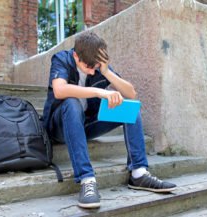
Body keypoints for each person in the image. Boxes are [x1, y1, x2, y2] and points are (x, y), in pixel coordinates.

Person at [42, 31, 176, 209]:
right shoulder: (62, 59)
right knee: (72, 103)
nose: (92, 71)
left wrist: (106, 71)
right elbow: (60, 90)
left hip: (85, 125)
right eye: (88, 66)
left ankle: (138, 173)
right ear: (76, 55)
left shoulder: (99, 67)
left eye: (96, 66)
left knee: (129, 109)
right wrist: (100, 92)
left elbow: (131, 93)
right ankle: (86, 179)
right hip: (59, 127)